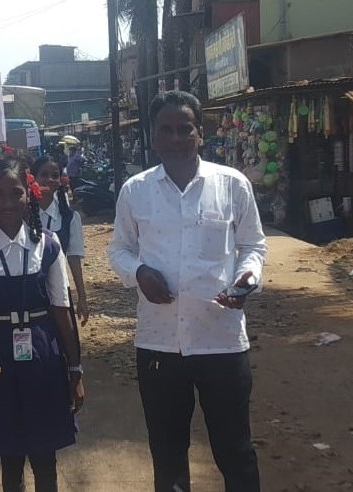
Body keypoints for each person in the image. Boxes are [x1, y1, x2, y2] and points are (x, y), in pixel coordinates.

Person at [107, 90, 267, 492]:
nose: (176, 139)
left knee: (236, 451)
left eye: (185, 129)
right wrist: (139, 271)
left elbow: (253, 246)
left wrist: (248, 277)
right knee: (168, 453)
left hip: (222, 341)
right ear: (154, 136)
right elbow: (119, 249)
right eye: (166, 130)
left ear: (201, 133)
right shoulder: (135, 190)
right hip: (160, 344)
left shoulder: (232, 184)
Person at [0, 153, 85, 492]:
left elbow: (61, 310)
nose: (7, 202)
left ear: (29, 194)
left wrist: (75, 371)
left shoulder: (47, 244)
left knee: (44, 454)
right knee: (10, 455)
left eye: (16, 192)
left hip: (43, 357)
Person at [30, 156, 89, 328]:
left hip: (59, 288)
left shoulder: (70, 217)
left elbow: (73, 258)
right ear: (33, 178)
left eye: (54, 175)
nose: (49, 179)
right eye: (44, 174)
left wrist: (82, 297)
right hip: (30, 288)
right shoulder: (23, 213)